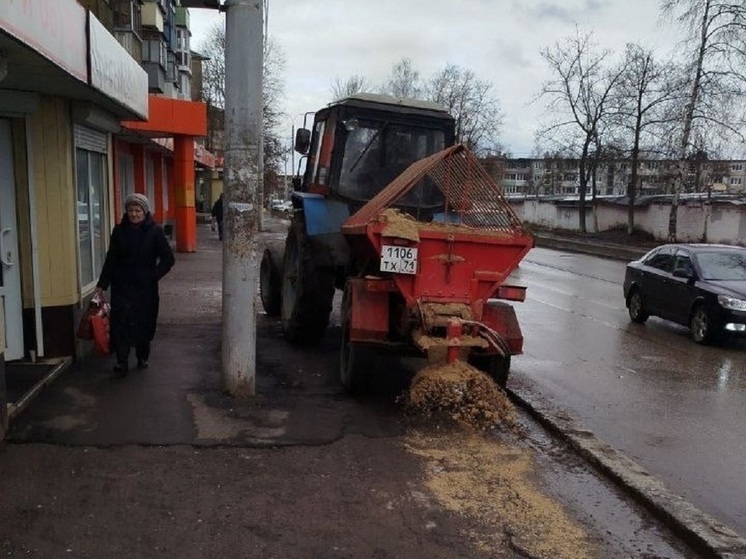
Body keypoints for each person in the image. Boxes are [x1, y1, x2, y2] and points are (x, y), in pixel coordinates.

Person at [95, 193, 175, 377]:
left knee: (144, 322)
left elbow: (168, 259)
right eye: (131, 210)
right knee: (121, 323)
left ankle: (142, 356)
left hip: (145, 288)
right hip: (121, 285)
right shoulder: (119, 231)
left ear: (144, 212)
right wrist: (102, 284)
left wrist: (153, 276)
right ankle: (122, 361)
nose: (134, 214)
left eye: (138, 210)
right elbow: (111, 259)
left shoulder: (155, 231)